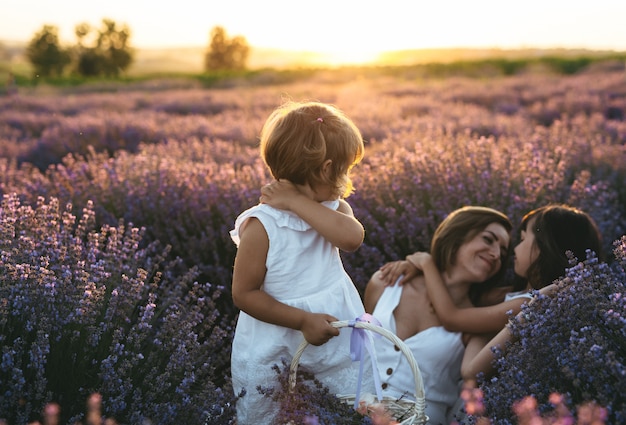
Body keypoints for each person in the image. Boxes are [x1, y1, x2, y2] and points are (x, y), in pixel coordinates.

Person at [230, 100, 374, 425]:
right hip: (275, 346)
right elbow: (245, 294)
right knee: (272, 414)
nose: (347, 178)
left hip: (332, 341)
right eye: (345, 170)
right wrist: (302, 320)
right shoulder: (262, 226)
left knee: (344, 408)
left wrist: (296, 201)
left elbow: (352, 238)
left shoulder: (333, 208)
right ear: (325, 169)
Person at [364, 206, 513, 425]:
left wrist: (426, 263)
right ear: (458, 234)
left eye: (503, 251)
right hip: (351, 413)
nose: (496, 254)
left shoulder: (475, 324)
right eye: (488, 240)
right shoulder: (386, 283)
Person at [460, 204, 603, 382]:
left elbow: (470, 370)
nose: (514, 249)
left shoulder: (530, 305)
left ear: (542, 247)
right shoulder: (511, 294)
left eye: (522, 239)